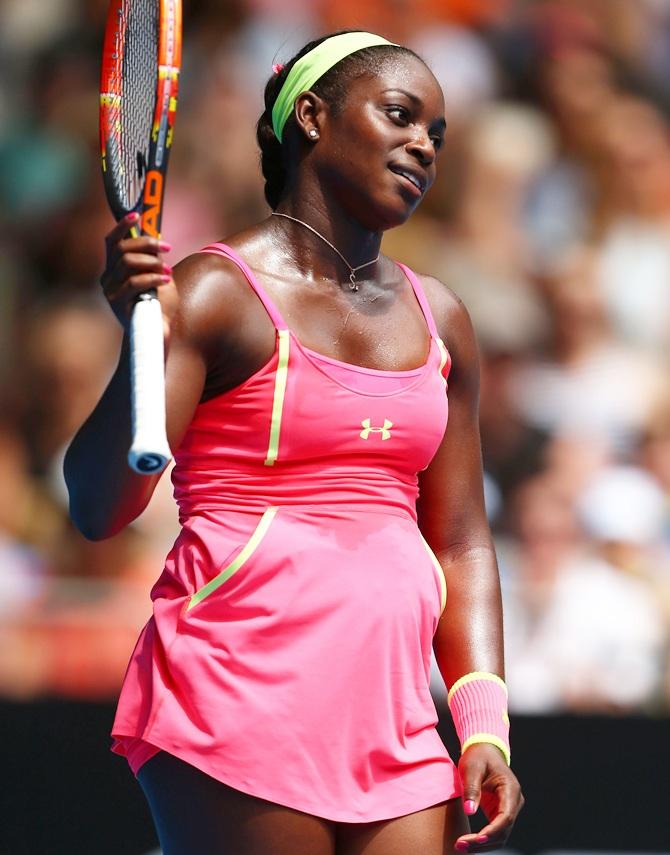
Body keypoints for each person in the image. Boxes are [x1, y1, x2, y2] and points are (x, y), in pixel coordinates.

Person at [65, 30, 524, 855]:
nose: (424, 144)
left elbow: (460, 539)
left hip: (395, 716)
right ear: (311, 116)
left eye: (438, 134)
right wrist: (142, 341)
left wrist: (482, 721)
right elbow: (101, 507)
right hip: (235, 695)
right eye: (400, 115)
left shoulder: (443, 316)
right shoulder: (212, 293)